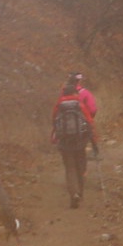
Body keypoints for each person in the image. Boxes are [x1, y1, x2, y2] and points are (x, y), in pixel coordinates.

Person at [53, 72, 99, 208]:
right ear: (74, 92)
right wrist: (94, 142)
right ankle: (81, 193)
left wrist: (55, 138)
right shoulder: (80, 105)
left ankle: (74, 194)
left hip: (64, 142)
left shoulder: (58, 105)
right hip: (80, 141)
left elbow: (53, 122)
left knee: (70, 168)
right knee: (80, 166)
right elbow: (90, 123)